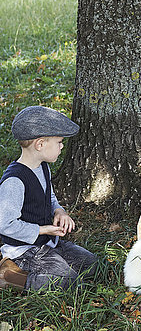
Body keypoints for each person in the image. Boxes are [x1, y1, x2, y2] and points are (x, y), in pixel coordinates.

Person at [0, 106, 97, 291]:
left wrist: (59, 210)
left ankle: (53, 263)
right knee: (72, 284)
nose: (62, 146)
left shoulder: (42, 167)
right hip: (24, 251)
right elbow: (5, 224)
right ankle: (11, 277)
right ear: (40, 144)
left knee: (92, 264)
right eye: (59, 142)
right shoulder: (14, 181)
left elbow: (49, 196)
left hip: (48, 243)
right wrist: (43, 229)